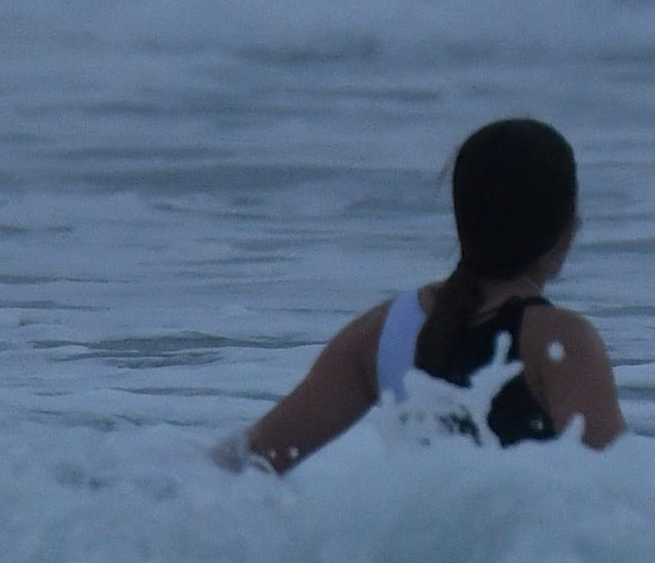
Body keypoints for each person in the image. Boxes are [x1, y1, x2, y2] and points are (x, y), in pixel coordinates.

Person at [235, 116, 625, 471]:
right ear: (567, 228)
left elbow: (246, 460)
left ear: (462, 218)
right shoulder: (559, 341)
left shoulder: (384, 331)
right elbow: (616, 491)